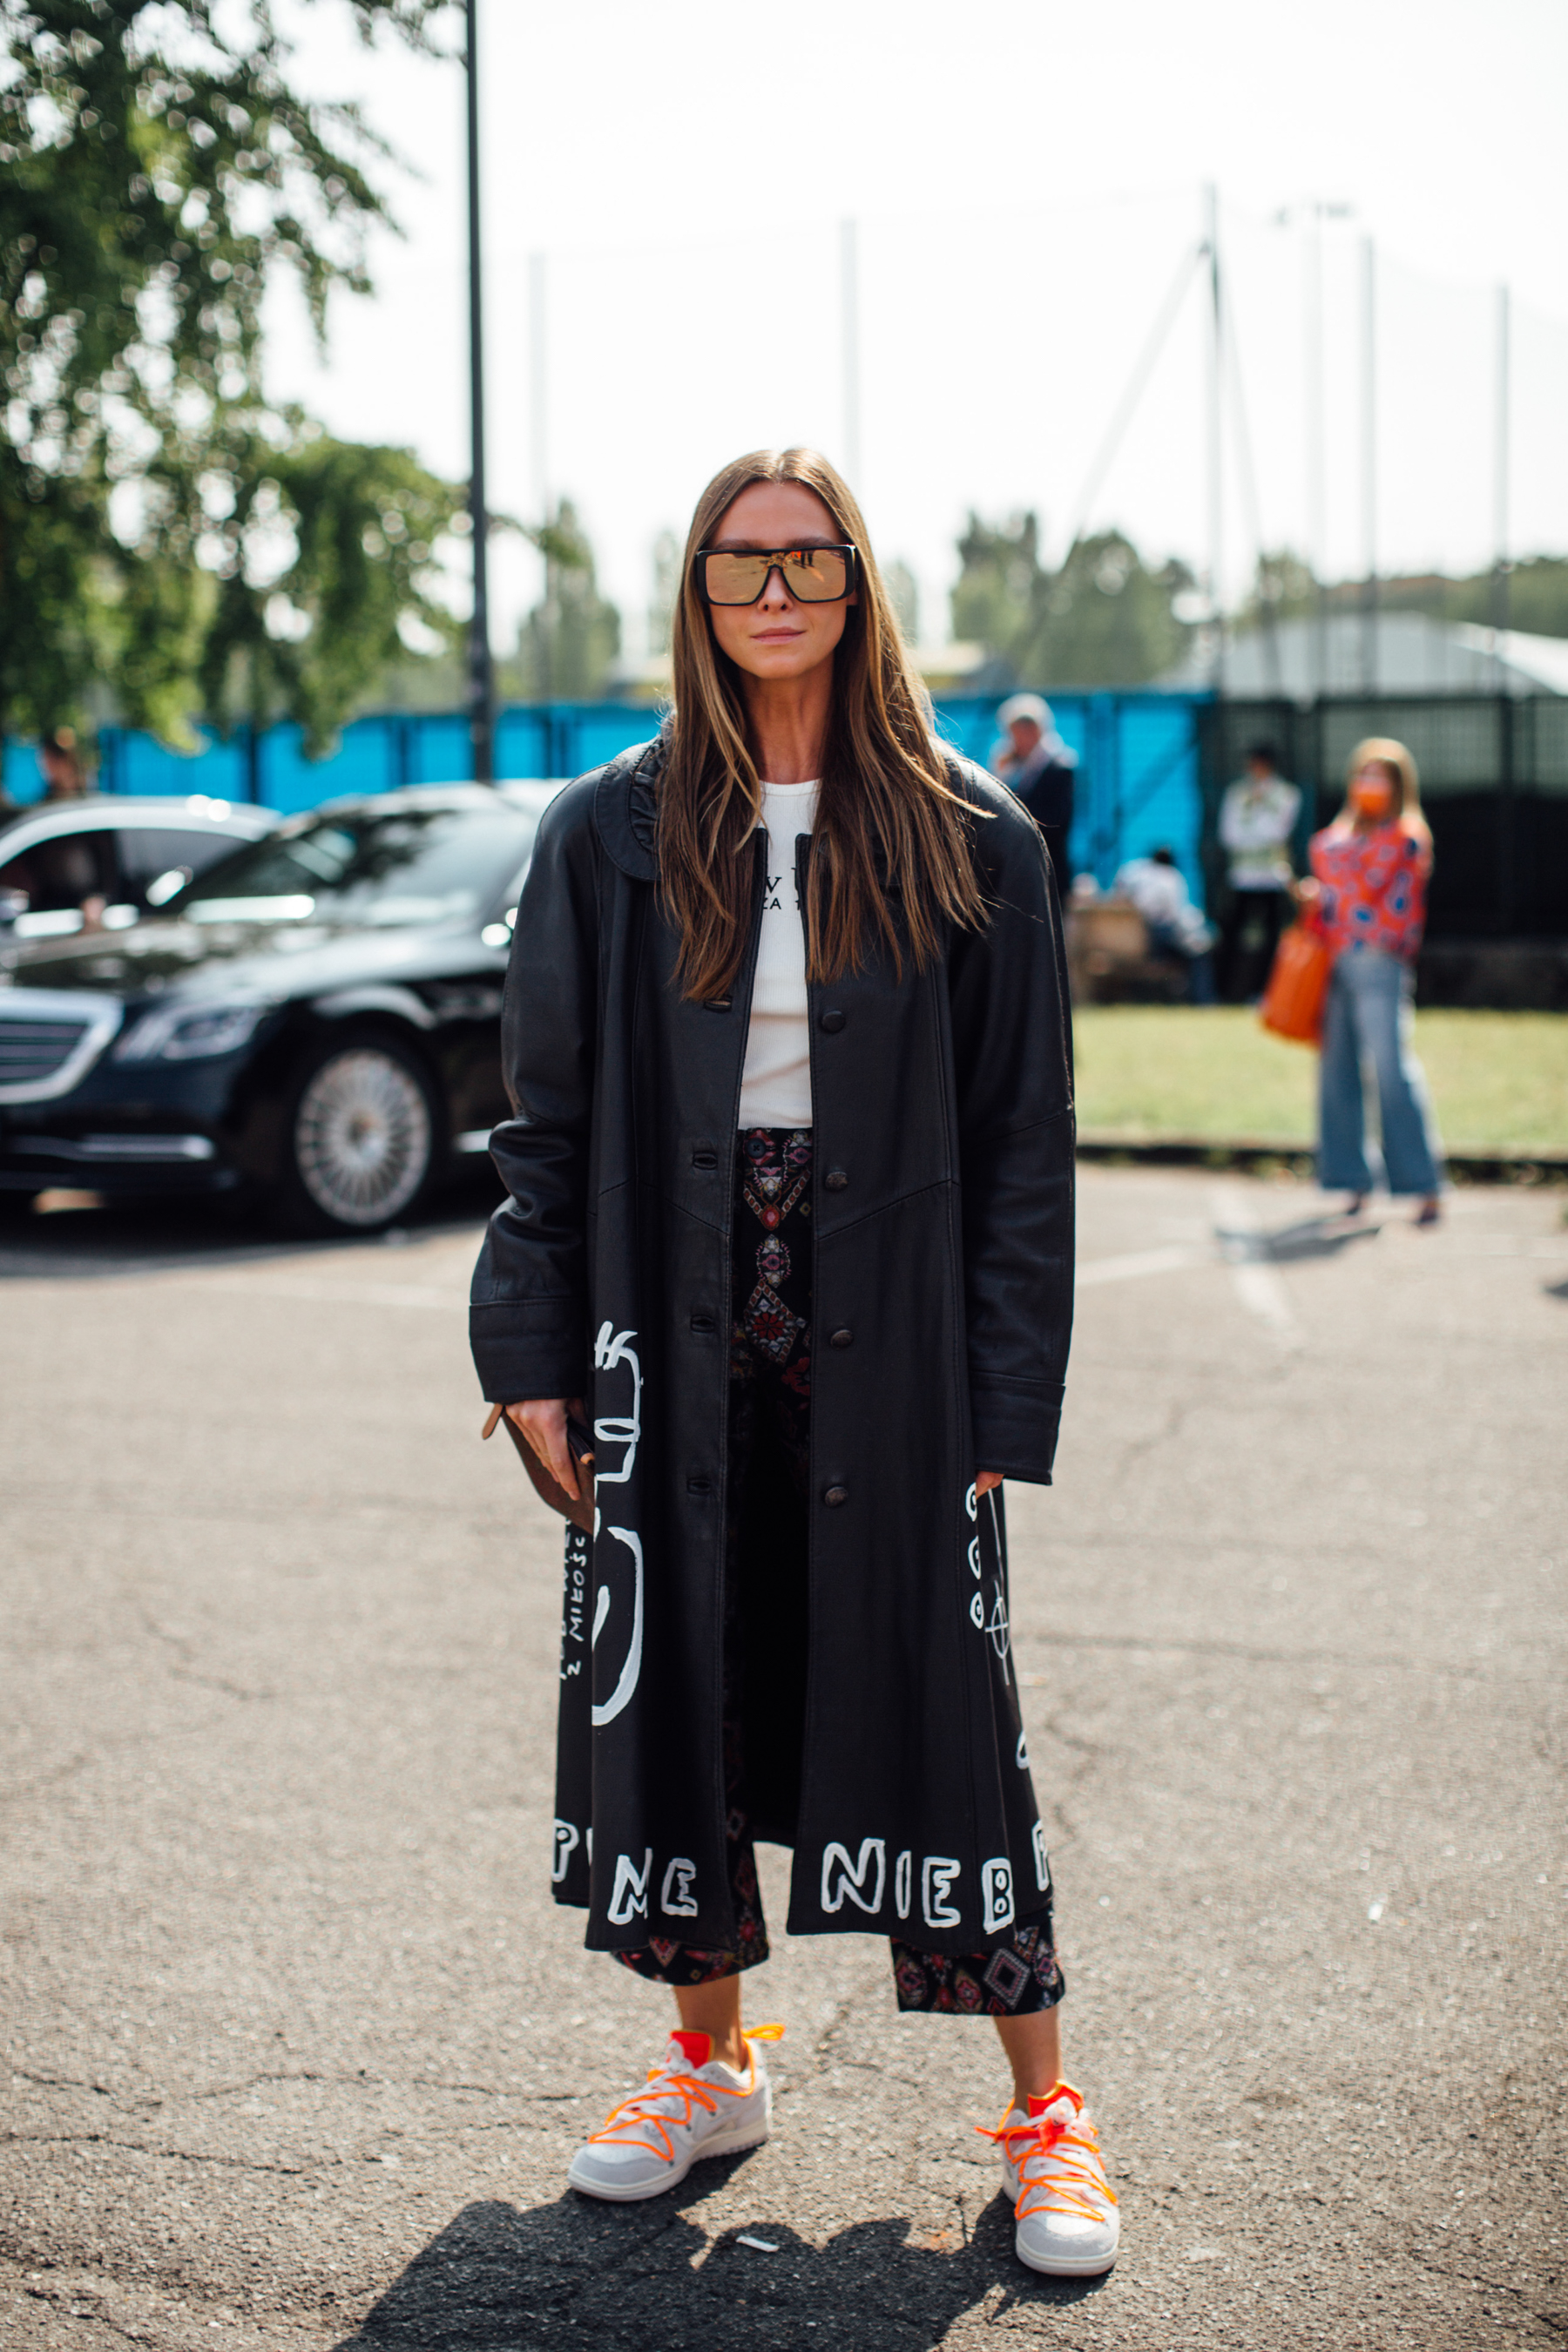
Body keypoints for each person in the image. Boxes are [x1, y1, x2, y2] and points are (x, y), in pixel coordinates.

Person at [470, 449, 1118, 2278]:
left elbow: (1024, 1150)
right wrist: (523, 1344)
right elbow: (543, 1127)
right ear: (695, 588)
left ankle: (1046, 2114)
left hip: (891, 1311)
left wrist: (1000, 1400)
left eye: (807, 555)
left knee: (949, 1700)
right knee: (682, 1686)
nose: (773, 587)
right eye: (739, 559)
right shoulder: (604, 830)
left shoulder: (972, 833)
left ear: (855, 581)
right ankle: (709, 2064)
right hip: (656, 1303)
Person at [1300, 737, 1443, 1226]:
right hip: (1335, 963)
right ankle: (1350, 1179)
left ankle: (1423, 1183)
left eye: (1380, 777)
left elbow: (1355, 880)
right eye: (1364, 775)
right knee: (1337, 1073)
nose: (1370, 786)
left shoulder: (1406, 837)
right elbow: (1329, 862)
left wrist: (1335, 868)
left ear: (1399, 786)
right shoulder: (1346, 839)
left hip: (1381, 964)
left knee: (1390, 1070)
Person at [1218, 740, 1300, 1001]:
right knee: (1233, 936)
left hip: (1273, 878)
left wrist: (1259, 811)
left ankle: (1266, 992)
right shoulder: (1236, 794)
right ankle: (1228, 992)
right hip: (1242, 877)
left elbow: (1276, 833)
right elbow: (1230, 835)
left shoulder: (1286, 794)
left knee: (1273, 939)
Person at [990, 693, 1077, 898]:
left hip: (1047, 869)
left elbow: (1057, 821)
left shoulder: (1059, 767)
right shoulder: (1013, 767)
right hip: (1016, 870)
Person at [1112, 846, 1216, 1004]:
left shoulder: (1131, 870)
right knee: (1199, 952)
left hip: (1125, 939)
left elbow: (1116, 899)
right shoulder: (1171, 877)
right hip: (1158, 935)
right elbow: (1175, 914)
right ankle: (1203, 1000)